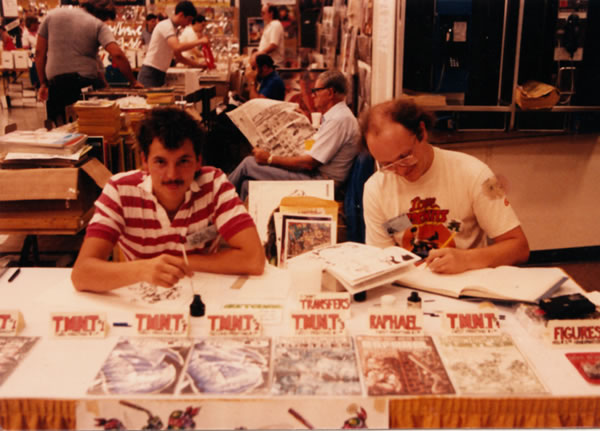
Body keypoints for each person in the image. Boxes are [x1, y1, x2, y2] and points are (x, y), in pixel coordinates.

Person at [71, 107, 265, 293]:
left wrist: (179, 262)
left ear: (199, 161)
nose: (172, 175)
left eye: (183, 161)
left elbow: (254, 259)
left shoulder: (214, 184)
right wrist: (142, 270)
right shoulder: (120, 191)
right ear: (144, 162)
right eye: (160, 162)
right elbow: (82, 274)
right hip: (141, 300)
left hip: (203, 294)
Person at [361, 99, 530, 274]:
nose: (401, 171)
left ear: (422, 132)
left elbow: (519, 247)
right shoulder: (375, 189)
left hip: (465, 285)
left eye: (405, 157)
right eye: (388, 165)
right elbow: (381, 261)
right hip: (408, 290)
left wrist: (466, 259)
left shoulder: (477, 173)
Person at [228, 70, 360, 201]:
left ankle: (215, 200)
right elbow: (321, 147)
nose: (313, 95)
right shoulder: (339, 116)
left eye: (316, 91)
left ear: (330, 92)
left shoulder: (339, 120)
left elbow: (310, 163)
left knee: (248, 164)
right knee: (246, 185)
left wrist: (269, 159)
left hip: (321, 181)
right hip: (318, 175)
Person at [35, 0, 141, 126]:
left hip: (56, 86)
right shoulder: (96, 24)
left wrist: (43, 83)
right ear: (101, 14)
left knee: (60, 132)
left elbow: (39, 53)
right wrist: (133, 81)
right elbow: (117, 54)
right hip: (83, 86)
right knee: (88, 130)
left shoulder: (52, 15)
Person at [137, 1, 207, 87]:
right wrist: (200, 41)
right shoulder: (166, 26)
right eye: (189, 20)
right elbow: (177, 47)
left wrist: (199, 65)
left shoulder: (174, 29)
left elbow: (179, 57)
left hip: (159, 74)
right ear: (181, 15)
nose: (189, 23)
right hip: (150, 73)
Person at [253, 4, 285, 68]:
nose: (261, 15)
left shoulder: (276, 25)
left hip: (274, 64)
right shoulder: (269, 25)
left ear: (271, 13)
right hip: (267, 65)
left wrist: (258, 54)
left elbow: (273, 45)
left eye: (263, 13)